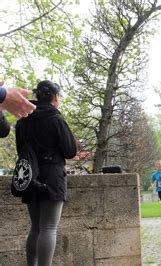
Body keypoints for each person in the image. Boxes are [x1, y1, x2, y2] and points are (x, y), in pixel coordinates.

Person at [15, 80, 77, 266]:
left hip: (29, 175)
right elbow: (70, 151)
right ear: (55, 97)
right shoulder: (56, 119)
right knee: (49, 227)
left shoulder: (23, 120)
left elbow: (21, 151)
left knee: (35, 228)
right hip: (52, 177)